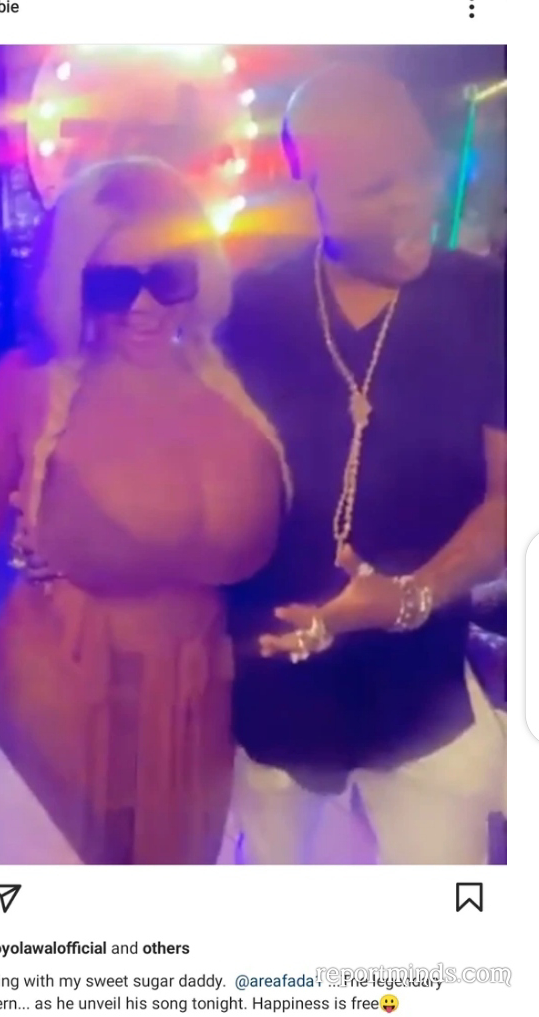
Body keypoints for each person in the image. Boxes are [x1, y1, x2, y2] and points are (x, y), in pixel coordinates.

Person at [0, 157, 287, 865]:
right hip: (68, 690)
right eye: (112, 283)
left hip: (196, 696)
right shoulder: (29, 386)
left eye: (168, 277)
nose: (143, 308)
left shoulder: (230, 384)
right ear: (71, 281)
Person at [221, 64, 506, 864]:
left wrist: (411, 595)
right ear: (308, 184)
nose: (413, 200)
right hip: (273, 706)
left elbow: (512, 493)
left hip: (424, 704)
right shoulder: (248, 310)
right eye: (376, 186)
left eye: (419, 167)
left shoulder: (489, 301)